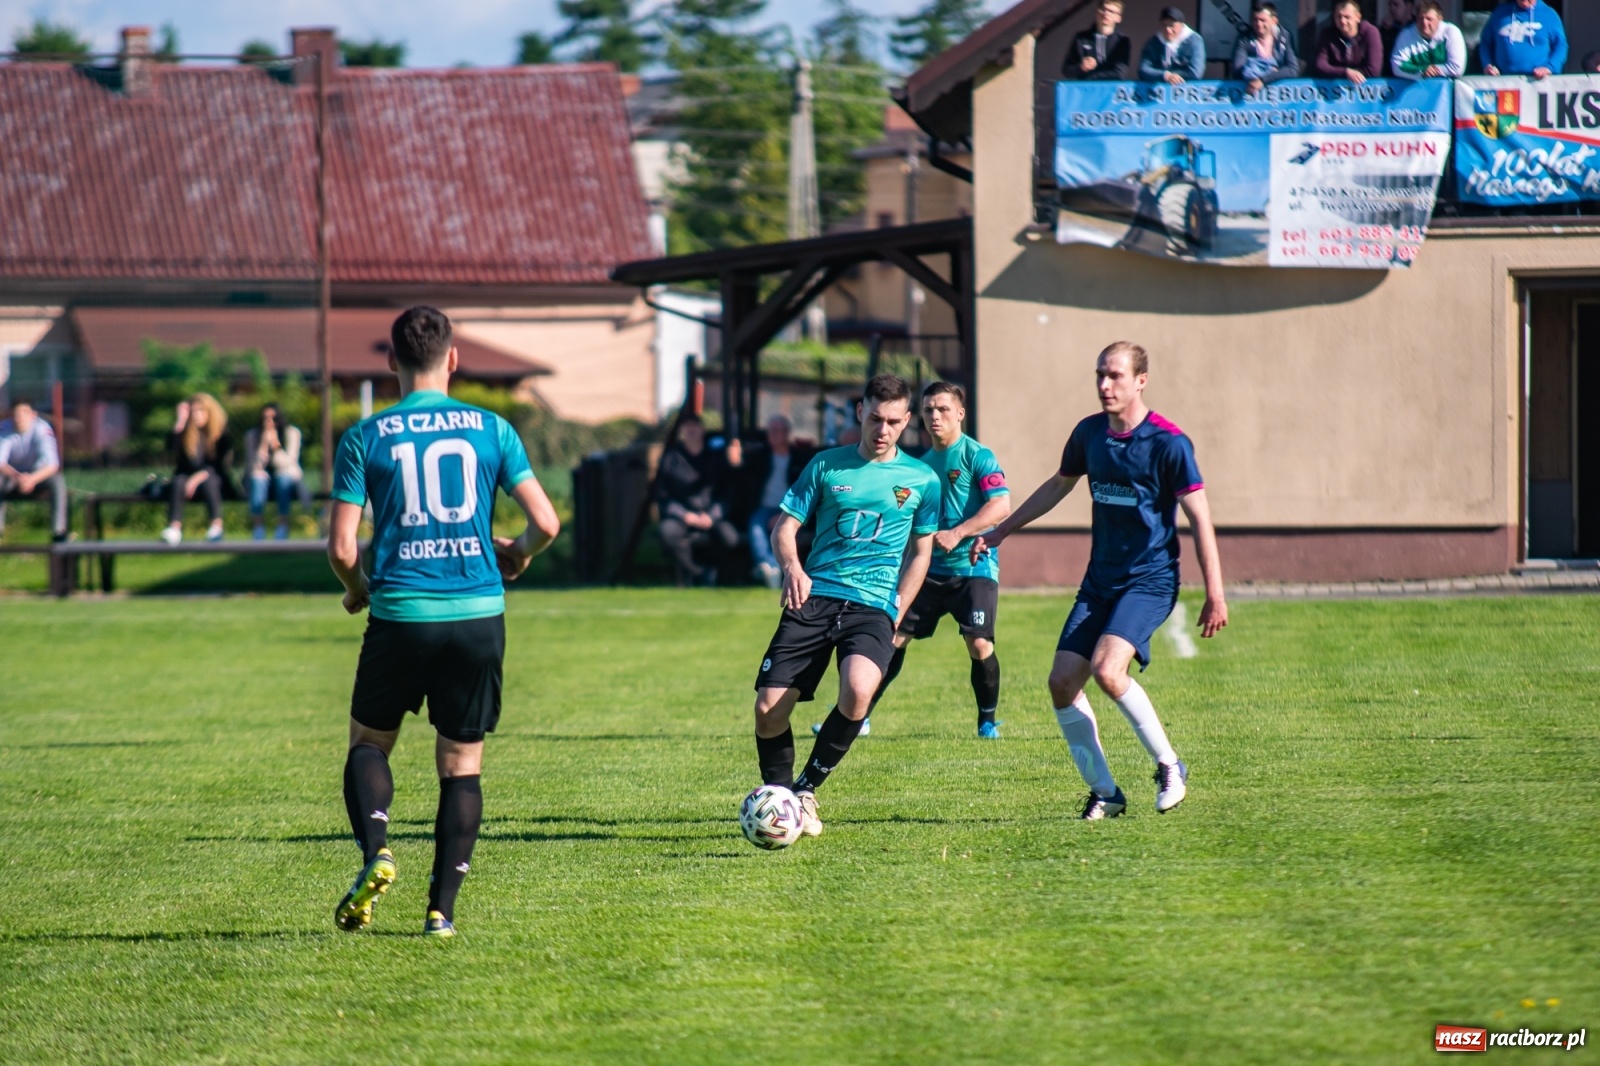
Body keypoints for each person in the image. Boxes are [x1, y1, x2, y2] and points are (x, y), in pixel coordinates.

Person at [327, 306, 560, 938]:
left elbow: (345, 549)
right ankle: (441, 913)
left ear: (391, 362)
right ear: (453, 358)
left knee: (369, 744)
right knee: (462, 764)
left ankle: (377, 849)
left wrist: (357, 591)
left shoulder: (365, 436)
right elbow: (547, 523)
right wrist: (520, 554)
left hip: (403, 612)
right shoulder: (493, 429)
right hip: (478, 612)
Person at [971, 342, 1227, 820]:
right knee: (1062, 682)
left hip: (1150, 580)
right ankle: (1106, 793)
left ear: (1140, 381)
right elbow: (1057, 485)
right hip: (1099, 581)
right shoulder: (1089, 434)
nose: (1105, 385)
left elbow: (1201, 518)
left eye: (1115, 376)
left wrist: (1215, 593)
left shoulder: (1169, 443)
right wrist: (1003, 530)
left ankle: (1170, 765)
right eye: (1099, 376)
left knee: (1109, 671)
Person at [750, 374, 939, 838]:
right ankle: (784, 801)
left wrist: (898, 607)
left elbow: (921, 550)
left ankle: (807, 788)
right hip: (814, 597)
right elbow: (783, 528)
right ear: (860, 411)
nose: (883, 430)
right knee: (768, 709)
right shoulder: (825, 466)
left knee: (858, 691)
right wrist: (792, 567)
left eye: (894, 421)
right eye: (875, 418)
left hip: (871, 606)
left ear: (907, 421)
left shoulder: (922, 479)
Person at [819, 382, 1011, 740]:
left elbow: (1001, 506)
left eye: (942, 409)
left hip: (974, 569)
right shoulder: (920, 467)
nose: (934, 416)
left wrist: (959, 533)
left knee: (979, 644)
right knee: (891, 637)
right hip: (929, 570)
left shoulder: (977, 456)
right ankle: (860, 717)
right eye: (927, 410)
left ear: (960, 413)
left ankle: (987, 721)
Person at [655, 414, 740, 587]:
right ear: (681, 431)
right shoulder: (671, 459)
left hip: (711, 515)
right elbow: (663, 495)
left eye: (695, 426)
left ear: (702, 430)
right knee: (667, 533)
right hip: (682, 516)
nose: (691, 430)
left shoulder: (716, 458)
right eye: (687, 427)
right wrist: (684, 515)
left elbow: (727, 493)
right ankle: (698, 573)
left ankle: (720, 574)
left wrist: (712, 516)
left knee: (730, 538)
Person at [740, 414, 813, 589]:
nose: (773, 435)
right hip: (764, 509)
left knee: (784, 529)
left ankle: (772, 568)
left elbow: (804, 491)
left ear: (787, 433)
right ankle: (769, 566)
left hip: (790, 510)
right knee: (756, 525)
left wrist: (784, 513)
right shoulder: (758, 457)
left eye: (777, 431)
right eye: (770, 431)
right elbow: (740, 473)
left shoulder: (800, 459)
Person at [162, 393, 235, 545]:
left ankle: (216, 526)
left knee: (210, 482)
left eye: (201, 411)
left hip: (213, 478)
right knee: (178, 481)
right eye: (193, 411)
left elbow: (220, 466)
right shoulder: (186, 434)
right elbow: (171, 449)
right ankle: (174, 527)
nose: (196, 415)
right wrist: (180, 421)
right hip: (186, 479)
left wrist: (196, 479)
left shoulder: (221, 434)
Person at [0, 400, 69, 543]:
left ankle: (58, 532)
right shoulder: (4, 429)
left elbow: (52, 464)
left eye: (23, 414)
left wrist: (31, 479)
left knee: (58, 481)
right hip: (11, 476)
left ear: (33, 415)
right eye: (15, 415)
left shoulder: (42, 429)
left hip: (38, 475)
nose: (18, 418)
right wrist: (18, 477)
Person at [244, 403, 305, 541]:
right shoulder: (252, 436)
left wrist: (276, 446)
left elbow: (288, 462)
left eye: (273, 418)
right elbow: (253, 466)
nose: (269, 422)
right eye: (265, 418)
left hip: (286, 479)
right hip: (261, 481)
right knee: (258, 478)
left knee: (282, 478)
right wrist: (264, 445)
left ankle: (282, 527)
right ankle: (258, 528)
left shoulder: (292, 433)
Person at [1479, 0, 1567, 79]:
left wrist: (1550, 67)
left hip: (1537, 82)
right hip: (1504, 81)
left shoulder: (1549, 15)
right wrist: (1487, 65)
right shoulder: (1500, 13)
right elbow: (1486, 43)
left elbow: (1561, 46)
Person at [1232, 1, 1301, 93]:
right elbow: (1237, 69)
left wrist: (1263, 79)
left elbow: (1293, 69)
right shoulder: (1244, 38)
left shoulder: (1286, 37)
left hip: (1279, 95)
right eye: (1255, 20)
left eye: (1263, 20)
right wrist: (1272, 71)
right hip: (1250, 94)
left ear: (1274, 21)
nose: (1258, 24)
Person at [1312, 0, 1384, 83]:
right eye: (1339, 16)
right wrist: (1346, 72)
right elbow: (1320, 66)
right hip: (1333, 89)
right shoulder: (1327, 34)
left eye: (1347, 17)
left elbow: (1373, 70)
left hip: (1365, 89)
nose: (1342, 21)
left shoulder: (1370, 32)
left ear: (1358, 17)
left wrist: (1351, 75)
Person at [1390, 0, 1465, 79]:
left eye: (1429, 19)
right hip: (1417, 88)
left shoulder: (1451, 32)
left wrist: (1432, 71)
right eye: (1420, 19)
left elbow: (1457, 68)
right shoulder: (1406, 35)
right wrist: (1422, 70)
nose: (1424, 23)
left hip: (1447, 88)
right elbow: (1397, 66)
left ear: (1440, 18)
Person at [1067, 0, 1132, 81]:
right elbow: (1066, 70)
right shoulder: (1081, 38)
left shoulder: (1122, 41)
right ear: (1097, 13)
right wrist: (1081, 67)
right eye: (1103, 9)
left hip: (1111, 91)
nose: (1106, 13)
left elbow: (1119, 73)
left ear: (1118, 18)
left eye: (1111, 11)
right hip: (1085, 90)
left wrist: (1091, 77)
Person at [1139, 7, 1206, 85]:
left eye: (1172, 26)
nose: (1168, 30)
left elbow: (1195, 72)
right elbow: (1143, 70)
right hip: (1158, 92)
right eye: (1164, 25)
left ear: (1181, 25)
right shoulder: (1153, 43)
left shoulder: (1195, 41)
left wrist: (1173, 76)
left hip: (1186, 91)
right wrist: (1165, 75)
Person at [1379, 0, 1414, 75]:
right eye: (1390, 5)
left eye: (1396, 4)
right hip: (1390, 77)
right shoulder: (1386, 29)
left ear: (1408, 6)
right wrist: (1384, 32)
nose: (1392, 8)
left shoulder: (1417, 26)